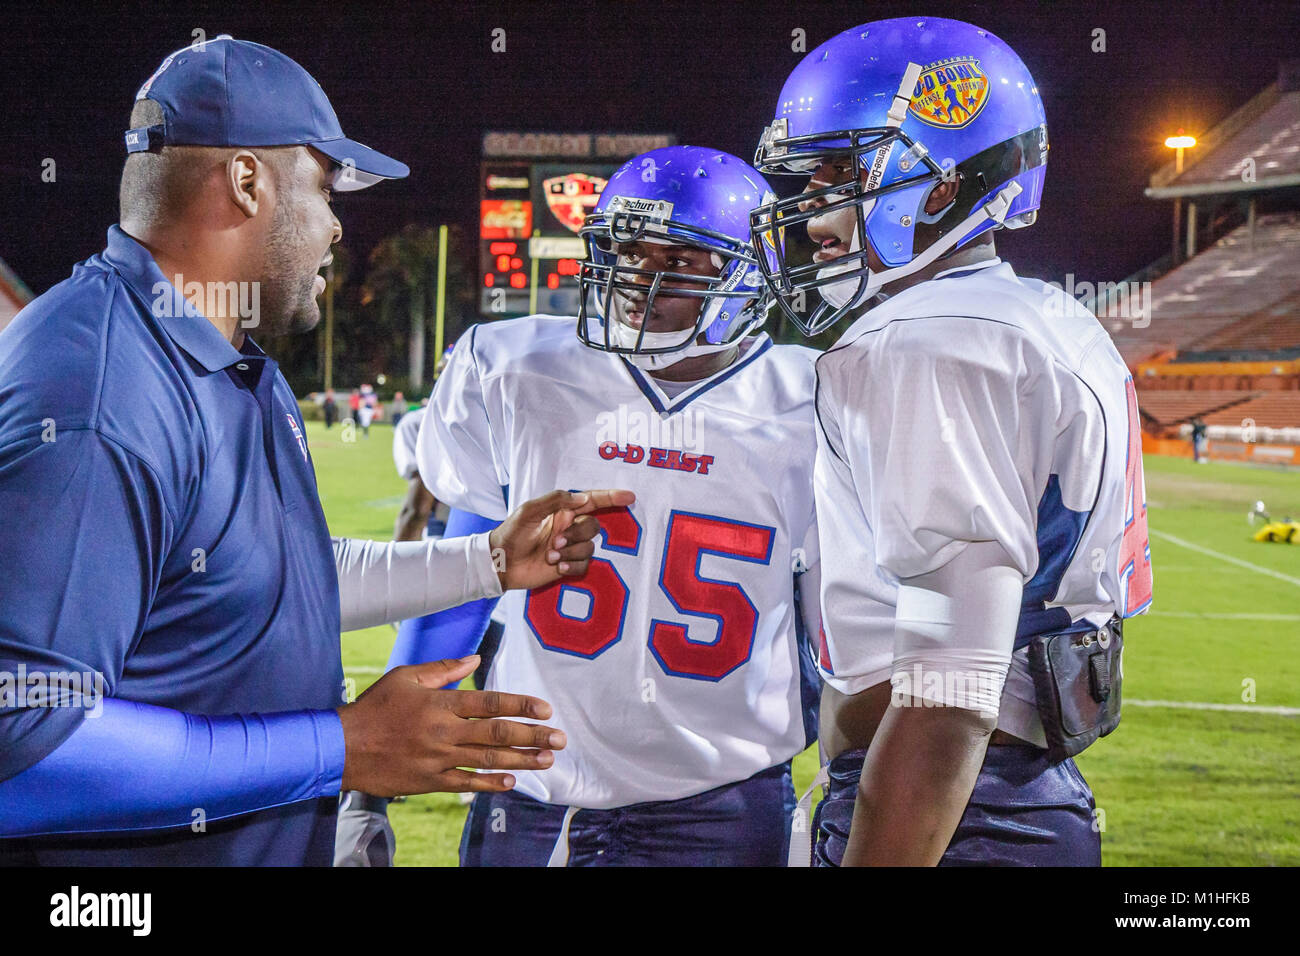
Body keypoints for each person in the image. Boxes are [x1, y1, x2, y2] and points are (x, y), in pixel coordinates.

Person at [0, 36, 632, 866]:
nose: (337, 226)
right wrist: (339, 747)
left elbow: (262, 583)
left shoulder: (220, 353)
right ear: (247, 181)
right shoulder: (101, 391)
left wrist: (484, 563)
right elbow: (25, 743)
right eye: (326, 187)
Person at [750, 16, 1153, 866]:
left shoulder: (928, 341)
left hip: (950, 811)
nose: (808, 210)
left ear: (938, 185)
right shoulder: (1037, 315)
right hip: (1004, 792)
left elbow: (946, 697)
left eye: (835, 176)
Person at [350, 146, 823, 867]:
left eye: (681, 255)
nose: (641, 275)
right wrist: (368, 795)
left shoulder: (814, 403)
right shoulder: (515, 369)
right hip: (534, 784)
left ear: (746, 270)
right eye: (626, 248)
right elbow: (467, 575)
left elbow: (846, 642)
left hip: (723, 796)